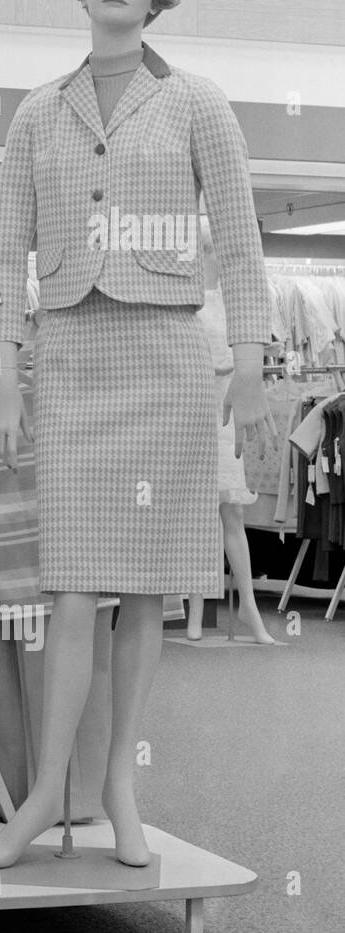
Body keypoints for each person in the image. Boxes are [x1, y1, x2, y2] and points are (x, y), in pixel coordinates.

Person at [0, 0, 277, 869]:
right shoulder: (36, 112)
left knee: (144, 588)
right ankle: (41, 800)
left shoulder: (198, 104)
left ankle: (119, 786)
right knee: (69, 587)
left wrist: (256, 363)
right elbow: (4, 251)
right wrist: (5, 372)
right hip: (70, 357)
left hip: (166, 363)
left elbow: (238, 237)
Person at [186, 218, 281, 644]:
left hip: (227, 415)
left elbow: (244, 357)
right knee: (196, 513)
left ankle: (247, 607)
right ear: (209, 250)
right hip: (194, 410)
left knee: (232, 509)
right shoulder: (187, 300)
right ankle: (196, 609)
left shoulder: (235, 300)